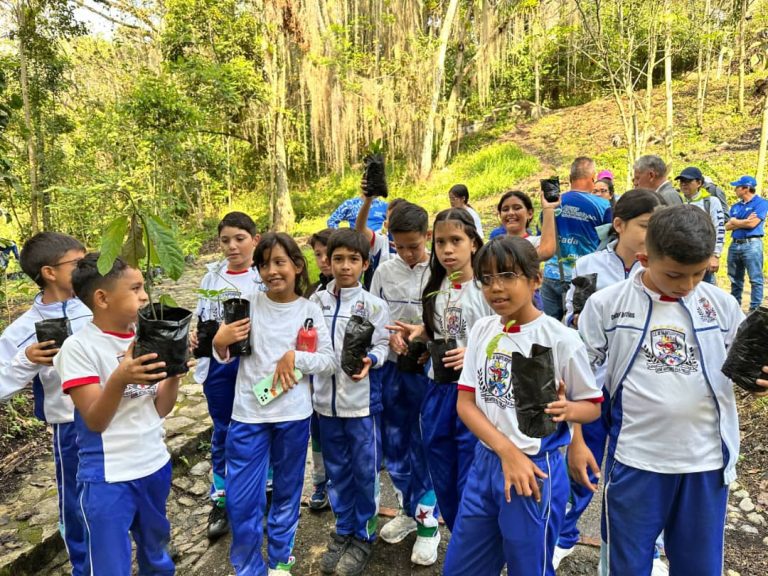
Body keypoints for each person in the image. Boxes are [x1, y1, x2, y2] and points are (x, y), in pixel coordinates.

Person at [578, 206, 753, 576]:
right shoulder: (606, 306)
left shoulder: (721, 306)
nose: (688, 285)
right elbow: (582, 383)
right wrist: (576, 440)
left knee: (700, 568)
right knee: (627, 567)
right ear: (644, 258)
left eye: (699, 273)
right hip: (636, 462)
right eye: (675, 274)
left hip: (706, 464)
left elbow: (744, 373)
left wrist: (757, 379)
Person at [442, 236, 602, 576]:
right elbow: (466, 403)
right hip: (487, 462)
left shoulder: (561, 339)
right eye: (487, 279)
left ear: (536, 279)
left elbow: (591, 407)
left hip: (534, 472)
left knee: (529, 568)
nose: (496, 288)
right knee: (461, 566)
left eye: (508, 276)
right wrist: (505, 452)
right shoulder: (484, 329)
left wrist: (568, 412)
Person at [54, 253, 186, 576]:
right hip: (108, 478)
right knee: (109, 566)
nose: (145, 297)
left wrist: (175, 371)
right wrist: (120, 377)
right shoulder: (78, 348)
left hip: (153, 465)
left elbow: (160, 409)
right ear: (102, 298)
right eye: (136, 289)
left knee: (157, 557)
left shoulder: (145, 339)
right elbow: (96, 420)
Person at [212, 233, 335, 576]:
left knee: (286, 490)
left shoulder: (310, 309)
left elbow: (327, 361)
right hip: (248, 416)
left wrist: (295, 357)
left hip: (293, 415)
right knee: (241, 498)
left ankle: (280, 558)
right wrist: (219, 342)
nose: (271, 271)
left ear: (297, 266)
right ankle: (249, 567)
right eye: (264, 264)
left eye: (280, 262)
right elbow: (225, 355)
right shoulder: (246, 303)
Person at [555, 189, 666, 571]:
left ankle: (647, 550)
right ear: (619, 225)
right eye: (645, 227)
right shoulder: (589, 262)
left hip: (638, 390)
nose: (651, 235)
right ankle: (564, 534)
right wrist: (580, 311)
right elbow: (571, 322)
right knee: (583, 466)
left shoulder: (658, 268)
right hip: (593, 386)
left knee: (638, 477)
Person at [392, 208, 491, 533]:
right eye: (440, 242)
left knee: (469, 475)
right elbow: (446, 329)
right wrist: (423, 334)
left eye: (456, 241)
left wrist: (474, 355)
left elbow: (511, 337)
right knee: (441, 470)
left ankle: (472, 547)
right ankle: (456, 534)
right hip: (437, 391)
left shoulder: (489, 287)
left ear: (473, 243)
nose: (447, 250)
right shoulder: (436, 286)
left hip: (474, 396)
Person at [0, 232, 90, 576]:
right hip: (70, 426)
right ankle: (85, 567)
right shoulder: (25, 329)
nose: (84, 269)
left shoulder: (96, 305)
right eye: (76, 263)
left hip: (115, 415)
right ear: (50, 272)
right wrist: (27, 359)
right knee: (76, 505)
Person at [309, 229, 390, 576]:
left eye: (353, 260)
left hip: (361, 406)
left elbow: (384, 345)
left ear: (364, 263)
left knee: (364, 471)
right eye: (338, 258)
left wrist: (373, 358)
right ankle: (343, 529)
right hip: (325, 406)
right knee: (337, 471)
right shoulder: (316, 302)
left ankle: (364, 534)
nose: (344, 266)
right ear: (328, 261)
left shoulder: (374, 305)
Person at [369, 202, 440, 565]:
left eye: (414, 244)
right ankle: (407, 510)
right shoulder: (384, 271)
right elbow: (376, 316)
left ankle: (429, 526)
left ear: (427, 236)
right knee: (395, 443)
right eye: (400, 246)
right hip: (394, 369)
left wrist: (428, 343)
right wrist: (390, 339)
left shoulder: (440, 271)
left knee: (425, 444)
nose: (408, 253)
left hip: (430, 371)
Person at [192, 212, 263, 539]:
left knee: (262, 427)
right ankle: (221, 498)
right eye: (225, 240)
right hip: (219, 368)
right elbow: (203, 316)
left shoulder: (264, 276)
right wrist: (197, 336)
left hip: (255, 366)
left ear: (255, 239)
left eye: (239, 238)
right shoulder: (212, 277)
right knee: (223, 430)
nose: (232, 246)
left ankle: (267, 491)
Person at [541, 157, 612, 320]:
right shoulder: (603, 206)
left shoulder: (551, 204)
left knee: (548, 332)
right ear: (593, 178)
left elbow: (543, 235)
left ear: (570, 178)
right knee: (577, 329)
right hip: (582, 278)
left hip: (552, 273)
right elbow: (608, 243)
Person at [304, 227, 335, 511]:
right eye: (318, 255)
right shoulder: (311, 294)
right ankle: (320, 482)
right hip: (314, 380)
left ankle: (337, 482)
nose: (324, 260)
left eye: (329, 254)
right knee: (318, 434)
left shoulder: (356, 291)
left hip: (345, 381)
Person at [675, 166, 725, 285]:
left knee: (708, 295)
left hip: (704, 258)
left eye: (688, 181)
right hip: (683, 259)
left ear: (699, 183)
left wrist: (715, 255)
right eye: (681, 181)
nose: (683, 184)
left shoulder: (711, 201)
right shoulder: (680, 202)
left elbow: (720, 228)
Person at [726, 175, 768, 311]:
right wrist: (742, 222)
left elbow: (752, 224)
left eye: (737, 187)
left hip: (752, 245)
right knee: (734, 279)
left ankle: (754, 311)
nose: (735, 190)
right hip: (735, 244)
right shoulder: (736, 206)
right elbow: (727, 226)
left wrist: (735, 221)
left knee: (755, 279)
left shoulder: (761, 203)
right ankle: (735, 309)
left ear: (746, 188)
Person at [355, 193, 406, 290]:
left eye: (398, 218)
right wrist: (368, 201)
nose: (392, 222)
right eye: (389, 218)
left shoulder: (417, 244)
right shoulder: (382, 239)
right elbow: (360, 230)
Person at [493, 190, 558, 259]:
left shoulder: (535, 242)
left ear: (530, 213)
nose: (510, 213)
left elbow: (545, 251)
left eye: (517, 208)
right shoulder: (496, 246)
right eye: (505, 210)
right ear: (500, 215)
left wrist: (548, 208)